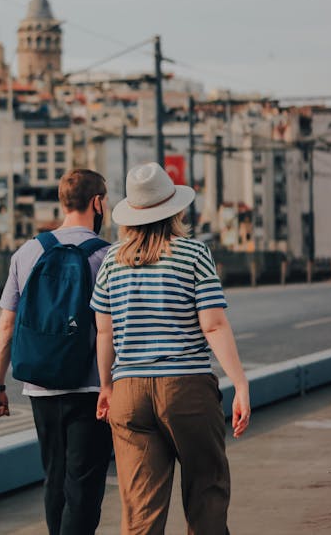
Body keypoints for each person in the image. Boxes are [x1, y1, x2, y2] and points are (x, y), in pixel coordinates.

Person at [90, 162, 250, 535]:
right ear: (175, 209)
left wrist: (107, 387)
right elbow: (212, 324)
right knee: (206, 493)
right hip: (186, 387)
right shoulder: (194, 254)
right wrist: (239, 384)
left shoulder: (112, 260)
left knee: (140, 511)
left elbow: (103, 332)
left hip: (129, 391)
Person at [0, 168, 113, 535]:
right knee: (84, 487)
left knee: (54, 481)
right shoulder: (108, 256)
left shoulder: (27, 253)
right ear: (97, 203)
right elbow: (114, 328)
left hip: (40, 387)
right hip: (91, 390)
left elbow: (6, 326)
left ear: (62, 201)